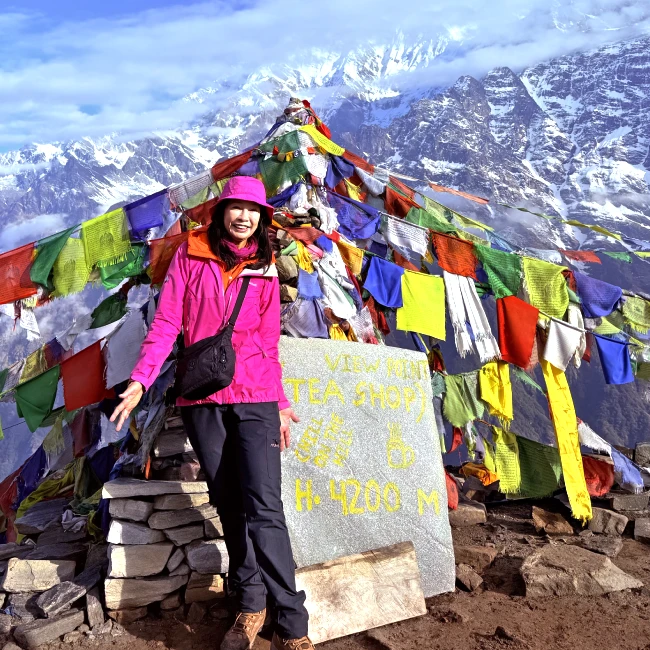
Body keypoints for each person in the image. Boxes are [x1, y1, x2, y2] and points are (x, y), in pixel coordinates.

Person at [110, 176, 313, 650]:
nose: (244, 216)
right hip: (202, 396)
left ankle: (293, 623)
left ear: (262, 218)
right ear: (221, 211)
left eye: (253, 210)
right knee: (227, 501)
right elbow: (167, 322)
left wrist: (281, 402)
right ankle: (250, 602)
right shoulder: (190, 254)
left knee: (264, 506)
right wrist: (140, 380)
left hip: (256, 395)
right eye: (236, 207)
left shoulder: (265, 266)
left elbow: (268, 342)